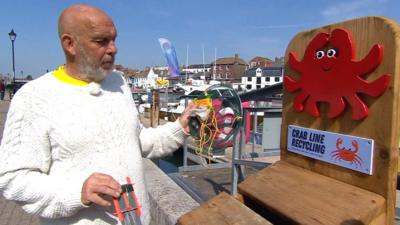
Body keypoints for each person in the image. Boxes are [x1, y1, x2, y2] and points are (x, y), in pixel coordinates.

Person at [0, 4, 195, 225]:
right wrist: (77, 193)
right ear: (70, 44)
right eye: (101, 41)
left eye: (114, 39)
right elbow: (12, 178)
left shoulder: (119, 82)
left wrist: (180, 127)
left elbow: (137, 141)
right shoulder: (34, 97)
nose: (113, 48)